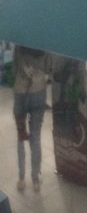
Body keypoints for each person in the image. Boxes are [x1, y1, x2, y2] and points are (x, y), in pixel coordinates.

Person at [12, 45, 51, 193]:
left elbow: (14, 69)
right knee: (36, 137)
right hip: (38, 92)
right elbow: (49, 71)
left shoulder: (19, 45)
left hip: (21, 92)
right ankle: (35, 179)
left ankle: (21, 178)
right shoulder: (44, 44)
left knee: (20, 136)